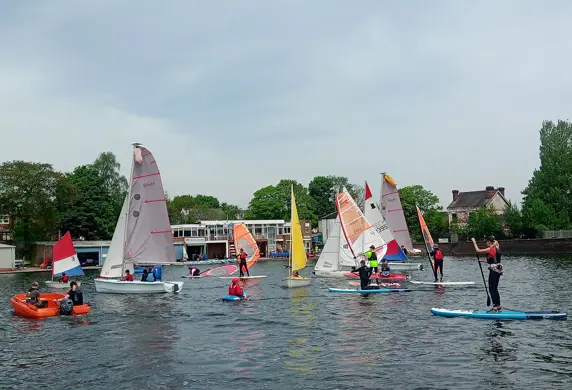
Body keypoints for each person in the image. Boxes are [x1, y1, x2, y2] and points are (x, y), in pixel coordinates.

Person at [472, 236, 503, 312]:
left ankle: (495, 307)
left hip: (494, 270)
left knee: (491, 288)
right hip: (498, 270)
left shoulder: (490, 249)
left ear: (489, 242)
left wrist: (474, 242)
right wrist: (483, 262)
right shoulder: (497, 247)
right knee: (495, 288)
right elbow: (493, 260)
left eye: (487, 242)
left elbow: (478, 250)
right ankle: (498, 305)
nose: (486, 244)